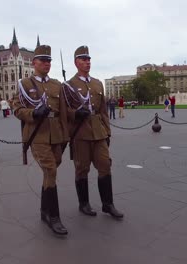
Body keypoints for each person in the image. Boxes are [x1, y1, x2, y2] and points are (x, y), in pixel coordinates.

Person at [10, 45, 69, 235]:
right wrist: (33, 112)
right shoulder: (24, 84)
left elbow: (63, 113)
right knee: (50, 170)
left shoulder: (56, 85)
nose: (47, 64)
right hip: (37, 134)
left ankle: (44, 211)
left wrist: (66, 135)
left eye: (49, 61)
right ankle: (54, 217)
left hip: (56, 135)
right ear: (34, 62)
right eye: (43, 60)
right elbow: (17, 109)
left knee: (51, 169)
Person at [62, 45, 123, 219]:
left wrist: (108, 132)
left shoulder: (97, 83)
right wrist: (75, 113)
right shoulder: (68, 85)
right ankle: (84, 203)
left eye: (89, 59)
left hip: (99, 131)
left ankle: (108, 204)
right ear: (76, 63)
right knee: (82, 169)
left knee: (105, 165)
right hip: (80, 133)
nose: (87, 62)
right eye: (83, 59)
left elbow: (103, 110)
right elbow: (64, 111)